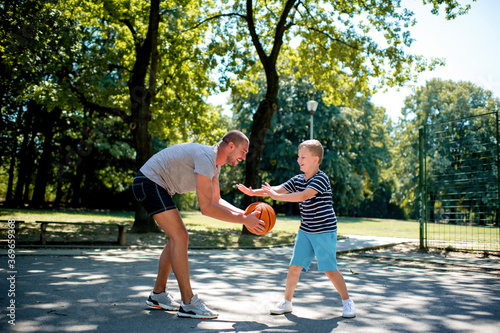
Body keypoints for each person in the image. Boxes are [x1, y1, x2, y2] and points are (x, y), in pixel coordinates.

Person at [133, 130, 265, 319]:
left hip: (154, 185)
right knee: (180, 236)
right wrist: (244, 221)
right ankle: (188, 302)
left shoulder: (214, 166)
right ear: (230, 146)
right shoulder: (206, 158)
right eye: (243, 151)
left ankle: (158, 295)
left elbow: (217, 200)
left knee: (176, 238)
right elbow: (207, 208)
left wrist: (244, 213)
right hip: (149, 183)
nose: (244, 157)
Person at [236, 139, 356, 318]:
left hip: (324, 230)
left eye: (303, 157)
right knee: (294, 267)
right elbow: (276, 189)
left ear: (315, 159)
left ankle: (348, 302)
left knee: (329, 269)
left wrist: (277, 196)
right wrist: (253, 193)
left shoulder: (321, 178)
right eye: (298, 157)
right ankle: (287, 302)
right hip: (306, 230)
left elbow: (304, 195)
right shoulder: (298, 179)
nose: (299, 160)